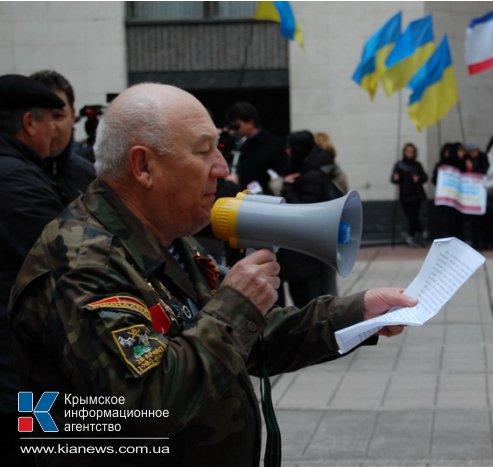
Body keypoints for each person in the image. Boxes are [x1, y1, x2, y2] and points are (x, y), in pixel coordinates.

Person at [9, 83, 417, 466]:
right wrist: (236, 303)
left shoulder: (168, 239)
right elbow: (148, 403)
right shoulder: (82, 264)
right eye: (204, 152)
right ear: (143, 165)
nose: (222, 168)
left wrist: (356, 314)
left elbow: (247, 337)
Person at [0, 74, 65, 465]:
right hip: (15, 376)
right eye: (50, 119)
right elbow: (68, 262)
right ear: (29, 123)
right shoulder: (17, 183)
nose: (55, 130)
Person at [278, 130, 340, 306]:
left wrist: (287, 188)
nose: (287, 151)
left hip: (305, 256)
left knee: (308, 302)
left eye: (289, 147)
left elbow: (304, 213)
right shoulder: (310, 171)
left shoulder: (312, 175)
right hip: (304, 256)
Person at [30, 69, 97, 203]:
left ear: (73, 115)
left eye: (57, 116)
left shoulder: (91, 178)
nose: (50, 127)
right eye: (40, 117)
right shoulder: (11, 178)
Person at [225, 101, 286, 195]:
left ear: (250, 122)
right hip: (244, 194)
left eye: (237, 125)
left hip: (265, 197)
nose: (235, 129)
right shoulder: (243, 145)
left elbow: (280, 172)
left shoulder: (273, 144)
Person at [391, 143, 428, 247]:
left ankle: (412, 237)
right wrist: (395, 178)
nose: (409, 153)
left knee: (415, 216)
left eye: (411, 151)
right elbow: (393, 179)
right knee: (411, 217)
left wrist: (419, 178)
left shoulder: (417, 165)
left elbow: (425, 177)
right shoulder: (399, 165)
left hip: (417, 195)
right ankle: (421, 232)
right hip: (405, 195)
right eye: (407, 151)